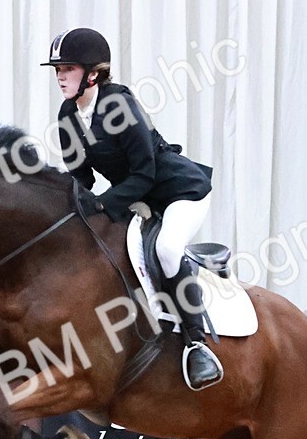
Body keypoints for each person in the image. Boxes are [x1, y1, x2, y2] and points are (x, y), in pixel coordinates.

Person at [42, 28, 224, 391]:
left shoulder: (119, 106)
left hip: (178, 191)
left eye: (68, 68)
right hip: (136, 197)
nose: (60, 76)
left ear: (92, 73)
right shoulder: (67, 116)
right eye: (57, 69)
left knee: (167, 249)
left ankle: (196, 344)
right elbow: (81, 177)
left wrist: (103, 204)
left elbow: (145, 173)